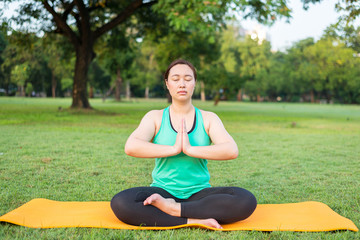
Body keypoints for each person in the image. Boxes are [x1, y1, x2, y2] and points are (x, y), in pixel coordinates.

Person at [111, 59, 257, 229]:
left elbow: (231, 150)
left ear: (195, 83)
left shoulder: (208, 118)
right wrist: (174, 149)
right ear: (167, 84)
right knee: (121, 202)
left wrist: (189, 149)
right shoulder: (155, 117)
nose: (182, 84)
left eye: (188, 79)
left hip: (199, 194)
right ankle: (192, 220)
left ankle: (174, 209)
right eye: (175, 79)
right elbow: (131, 146)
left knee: (246, 200)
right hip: (162, 192)